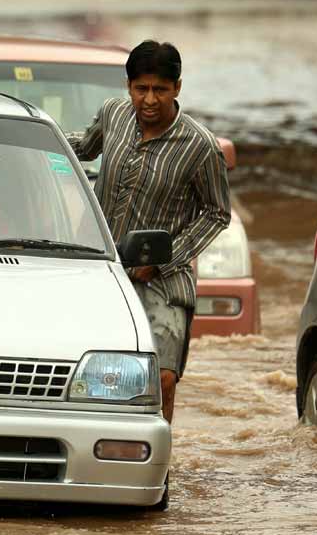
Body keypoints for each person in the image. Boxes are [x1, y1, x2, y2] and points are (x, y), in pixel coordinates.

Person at [68, 41, 230, 423]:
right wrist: (32, 142)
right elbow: (81, 148)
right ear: (128, 87)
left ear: (177, 88)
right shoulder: (113, 116)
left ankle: (157, 473)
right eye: (141, 89)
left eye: (160, 89)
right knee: (84, 374)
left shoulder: (200, 147)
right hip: (100, 269)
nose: (150, 99)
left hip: (163, 281)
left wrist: (162, 260)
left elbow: (217, 214)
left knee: (161, 379)